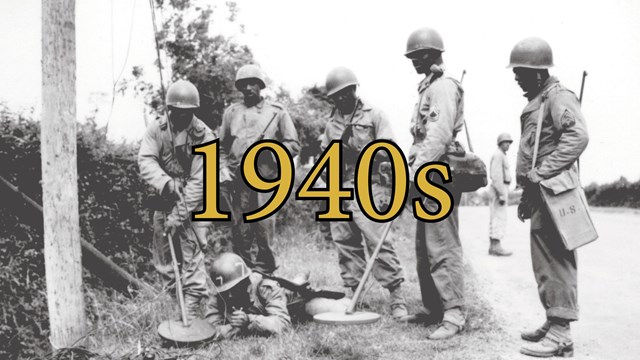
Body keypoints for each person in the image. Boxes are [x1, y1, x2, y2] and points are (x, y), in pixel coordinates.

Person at [509, 37, 589, 358]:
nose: (517, 80)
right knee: (545, 262)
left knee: (557, 259)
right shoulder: (540, 99)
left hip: (556, 193)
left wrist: (543, 172)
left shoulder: (557, 97)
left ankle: (561, 333)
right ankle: (553, 320)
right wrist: (529, 191)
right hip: (542, 194)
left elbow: (578, 137)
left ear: (539, 74)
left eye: (521, 74)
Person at [319, 66, 409, 321]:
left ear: (355, 89)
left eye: (347, 92)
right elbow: (326, 159)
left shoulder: (375, 115)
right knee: (345, 243)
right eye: (337, 95)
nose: (342, 98)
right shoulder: (331, 124)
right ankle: (354, 294)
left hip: (369, 187)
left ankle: (397, 297)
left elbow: (388, 152)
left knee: (378, 241)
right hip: (340, 188)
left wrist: (357, 149)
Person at [404, 27, 466, 339]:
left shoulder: (442, 88)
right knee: (424, 247)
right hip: (424, 175)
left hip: (437, 176)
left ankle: (453, 314)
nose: (414, 61)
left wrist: (417, 173)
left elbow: (439, 135)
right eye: (412, 57)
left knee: (442, 244)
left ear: (433, 55)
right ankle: (433, 308)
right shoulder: (426, 88)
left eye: (419, 56)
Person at [138, 80, 216, 318]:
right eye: (176, 112)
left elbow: (201, 181)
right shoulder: (156, 129)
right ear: (169, 109)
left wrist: (179, 216)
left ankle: (192, 314)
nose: (181, 117)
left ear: (194, 111)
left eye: (187, 113)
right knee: (164, 261)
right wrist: (166, 182)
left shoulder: (205, 136)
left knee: (192, 257)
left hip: (196, 203)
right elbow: (145, 160)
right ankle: (177, 307)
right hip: (164, 200)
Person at [219, 64, 300, 274]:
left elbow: (293, 145)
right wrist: (223, 170)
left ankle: (266, 279)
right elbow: (221, 148)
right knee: (240, 232)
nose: (248, 88)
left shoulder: (277, 112)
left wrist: (270, 152)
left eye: (252, 83)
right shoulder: (231, 113)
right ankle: (242, 278)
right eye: (243, 84)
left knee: (264, 229)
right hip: (238, 182)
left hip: (266, 181)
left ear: (260, 85)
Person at [205, 252, 350, 339]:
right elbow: (210, 331)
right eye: (225, 291)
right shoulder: (219, 295)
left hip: (293, 305)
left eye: (234, 289)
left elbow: (283, 324)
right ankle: (298, 278)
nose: (229, 295)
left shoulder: (265, 286)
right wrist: (236, 327)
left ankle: (300, 279)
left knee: (344, 309)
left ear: (245, 282)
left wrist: (249, 320)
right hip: (270, 311)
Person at [488, 133, 514, 256]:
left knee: (497, 217)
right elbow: (496, 175)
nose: (508, 144)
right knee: (498, 217)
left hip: (502, 187)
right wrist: (501, 193)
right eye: (506, 142)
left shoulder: (501, 155)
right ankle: (496, 247)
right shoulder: (498, 155)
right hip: (499, 188)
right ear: (500, 143)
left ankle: (493, 246)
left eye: (509, 142)